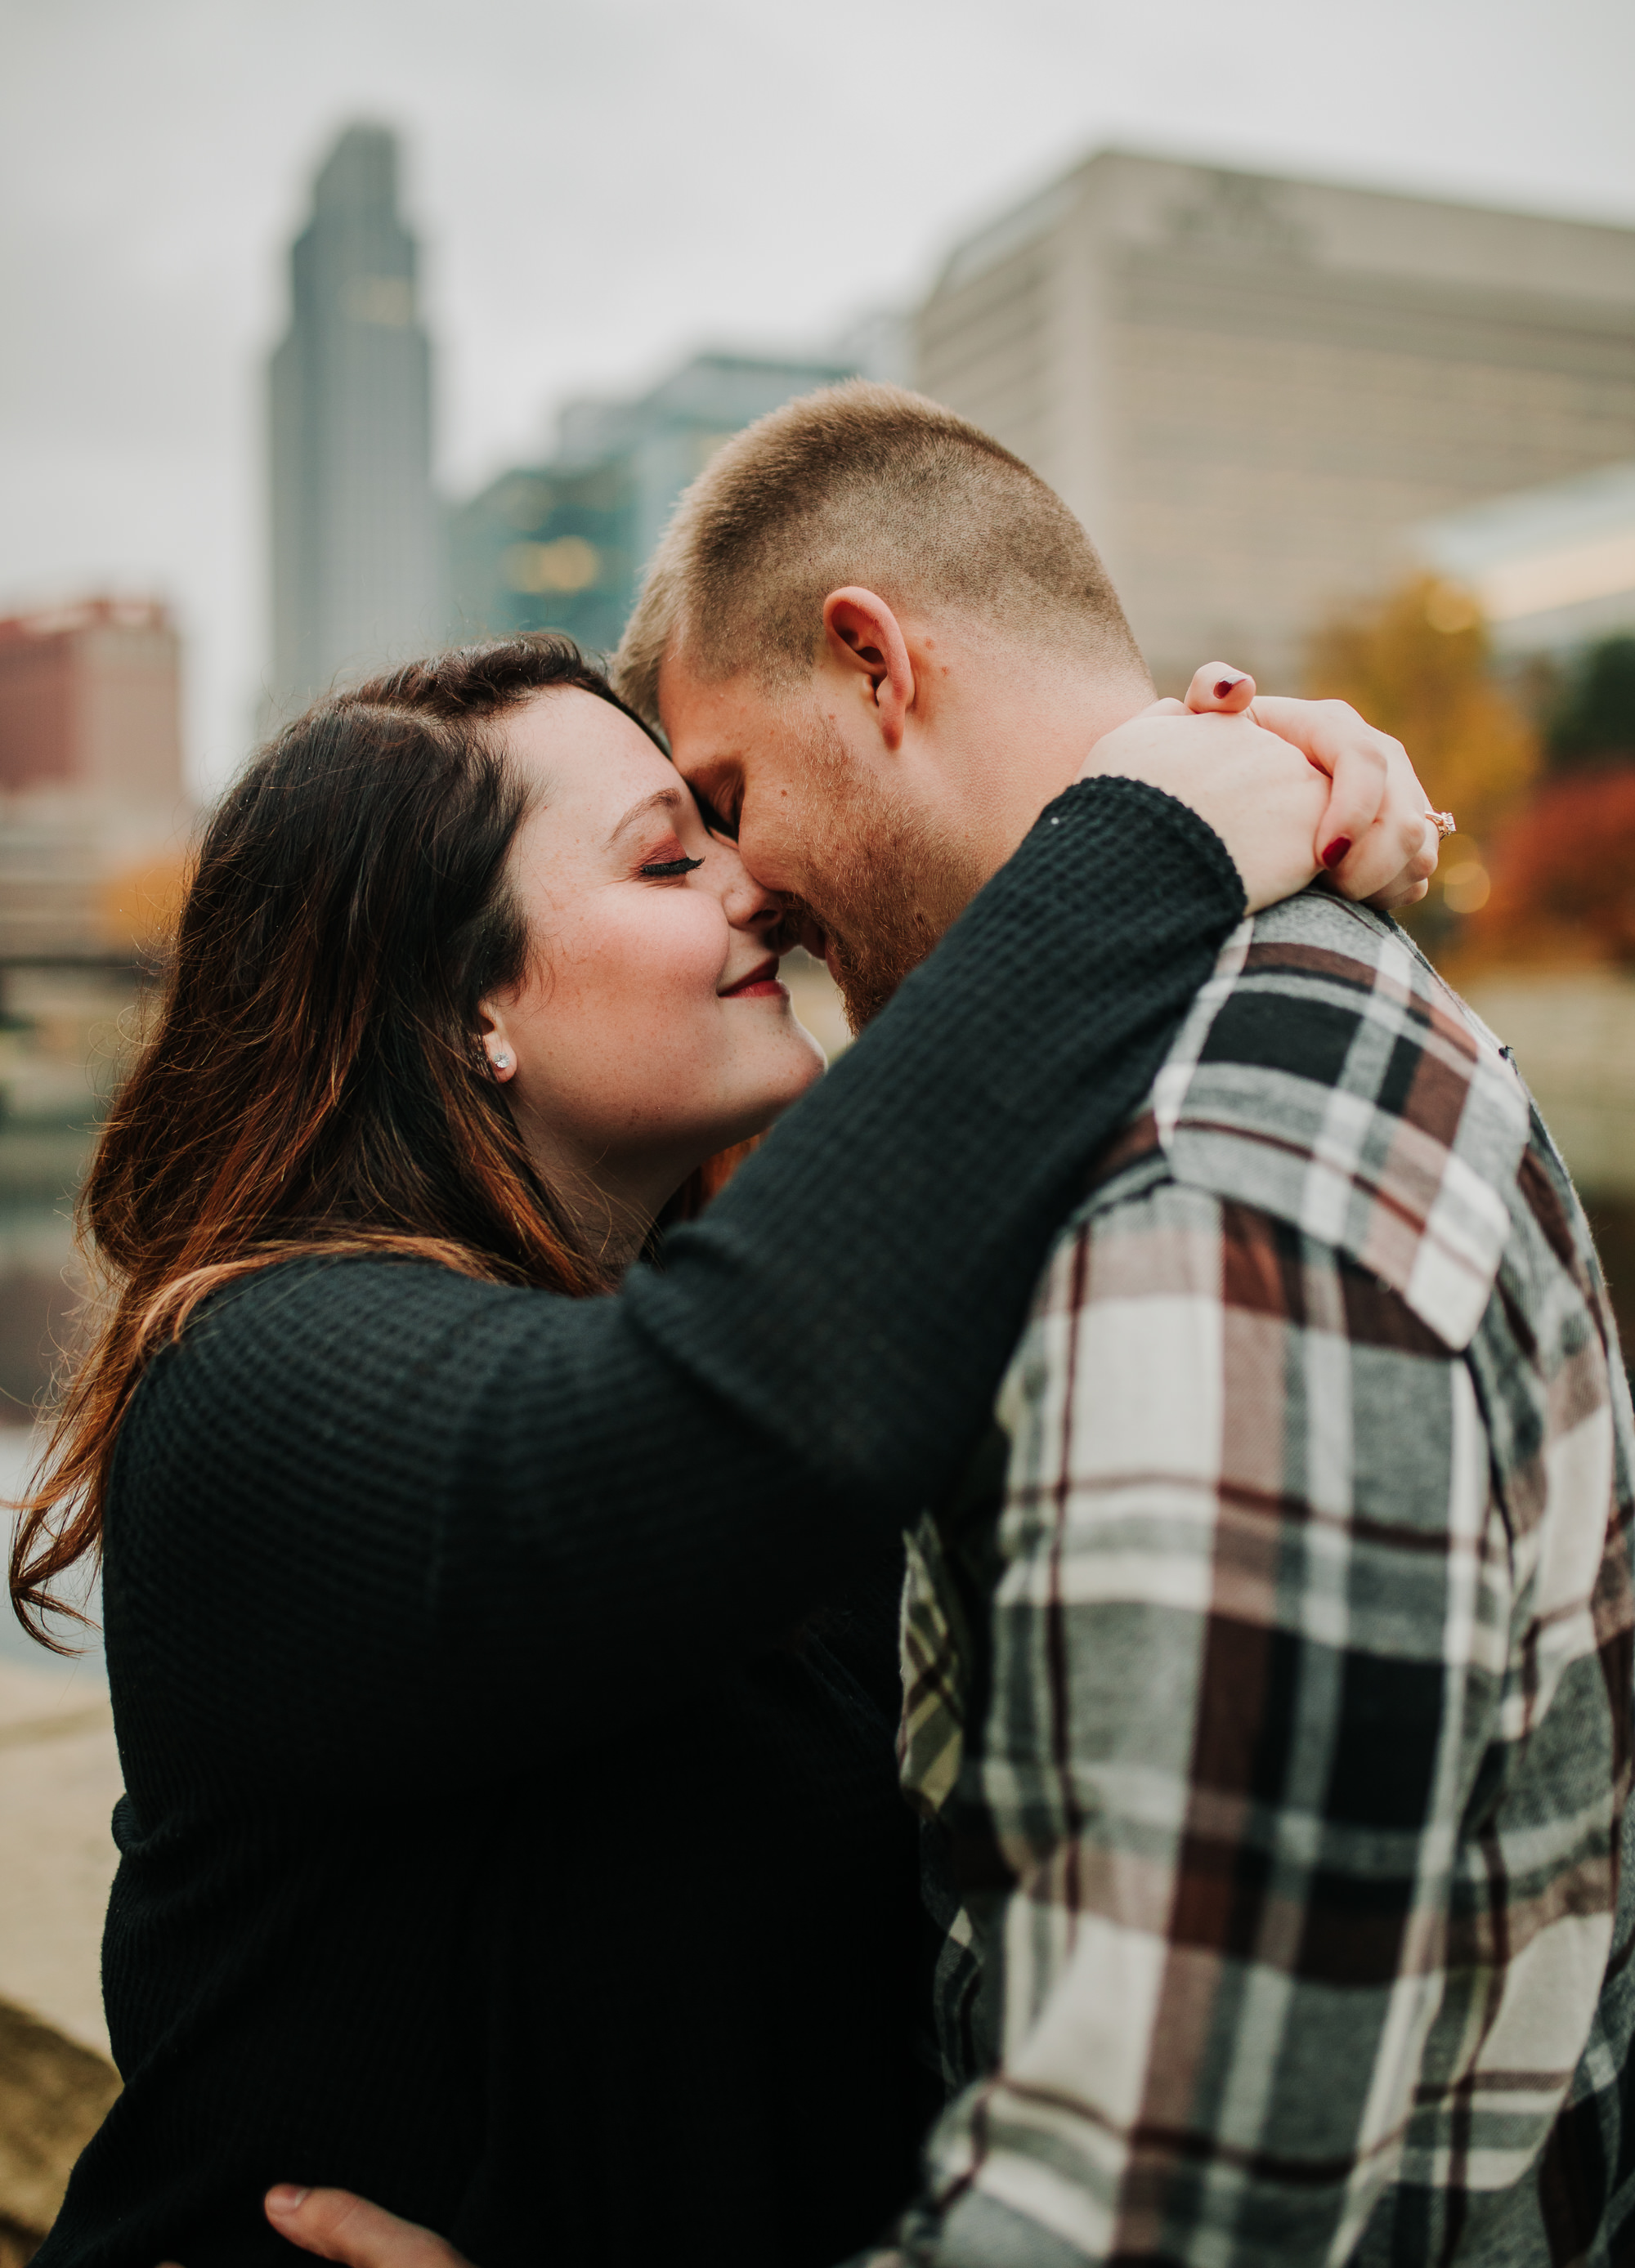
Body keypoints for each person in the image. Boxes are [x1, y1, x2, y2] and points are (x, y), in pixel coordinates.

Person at [271, 382, 1633, 2266]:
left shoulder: (1191, 1223)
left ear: (872, 664)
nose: (748, 892)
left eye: (722, 808)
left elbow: (1143, 2215)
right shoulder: (1331, 1002)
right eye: (671, 858)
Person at [12, 630, 1429, 2268]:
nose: (750, 884)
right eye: (667, 857)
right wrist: (1147, 827)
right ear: (468, 1002)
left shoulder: (722, 1319)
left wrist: (1256, 772)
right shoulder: (249, 1379)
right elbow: (705, 1430)